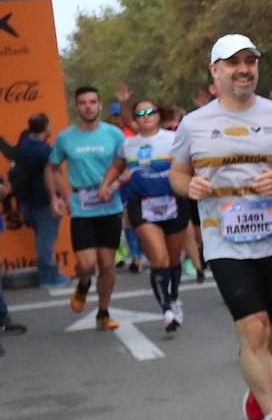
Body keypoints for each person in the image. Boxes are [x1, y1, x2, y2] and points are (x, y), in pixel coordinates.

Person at [170, 36, 272, 420]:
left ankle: (258, 384)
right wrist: (189, 186)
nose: (243, 69)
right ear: (214, 72)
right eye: (233, 63)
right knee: (253, 329)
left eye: (250, 61)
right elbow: (177, 174)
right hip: (224, 242)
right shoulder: (193, 124)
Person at [107, 99, 190, 330]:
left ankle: (174, 298)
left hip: (174, 203)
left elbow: (191, 165)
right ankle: (167, 311)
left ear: (158, 115)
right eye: (140, 113)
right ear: (134, 119)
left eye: (150, 112)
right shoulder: (128, 144)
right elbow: (117, 166)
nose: (145, 116)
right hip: (142, 206)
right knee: (159, 259)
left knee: (173, 260)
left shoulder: (174, 139)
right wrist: (106, 184)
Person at [48, 85, 125, 330]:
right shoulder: (65, 137)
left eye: (93, 102)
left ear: (100, 104)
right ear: (77, 106)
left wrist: (112, 186)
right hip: (81, 208)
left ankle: (103, 312)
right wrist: (60, 196)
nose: (88, 106)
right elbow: (52, 168)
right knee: (88, 264)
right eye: (83, 103)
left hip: (110, 207)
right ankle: (83, 285)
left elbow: (126, 165)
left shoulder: (114, 134)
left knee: (107, 264)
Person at [2, 115, 62, 286]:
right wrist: (60, 197)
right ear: (45, 127)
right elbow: (54, 173)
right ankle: (49, 276)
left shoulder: (24, 145)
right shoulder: (42, 150)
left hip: (26, 202)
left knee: (41, 239)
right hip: (43, 201)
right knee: (46, 240)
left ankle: (47, 274)